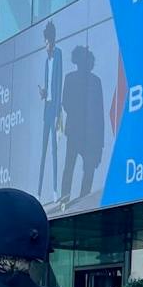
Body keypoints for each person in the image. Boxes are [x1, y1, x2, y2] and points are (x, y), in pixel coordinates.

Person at [59, 44, 106, 208]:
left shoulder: (96, 81)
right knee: (69, 166)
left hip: (91, 134)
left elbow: (100, 112)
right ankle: (65, 198)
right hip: (75, 131)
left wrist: (101, 143)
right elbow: (65, 103)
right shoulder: (70, 78)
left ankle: (84, 200)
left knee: (89, 167)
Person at [36, 21, 64, 206]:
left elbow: (59, 83)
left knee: (54, 150)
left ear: (51, 40)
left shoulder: (58, 55)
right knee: (43, 150)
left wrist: (57, 113)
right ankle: (38, 193)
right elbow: (50, 84)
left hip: (54, 108)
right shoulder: (47, 61)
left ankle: (55, 190)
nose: (45, 45)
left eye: (46, 41)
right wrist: (43, 92)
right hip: (46, 107)